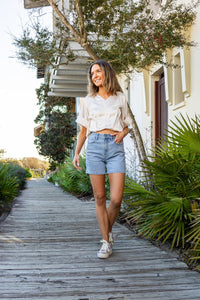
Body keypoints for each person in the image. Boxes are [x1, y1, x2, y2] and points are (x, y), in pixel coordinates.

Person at [73, 60, 132, 259]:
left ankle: (107, 231)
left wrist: (123, 133)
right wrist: (76, 153)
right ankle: (106, 241)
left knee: (116, 199)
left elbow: (127, 124)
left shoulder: (120, 98)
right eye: (92, 73)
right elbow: (83, 131)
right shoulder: (88, 101)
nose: (95, 75)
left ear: (106, 72)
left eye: (98, 71)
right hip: (95, 146)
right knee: (100, 198)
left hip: (115, 147)